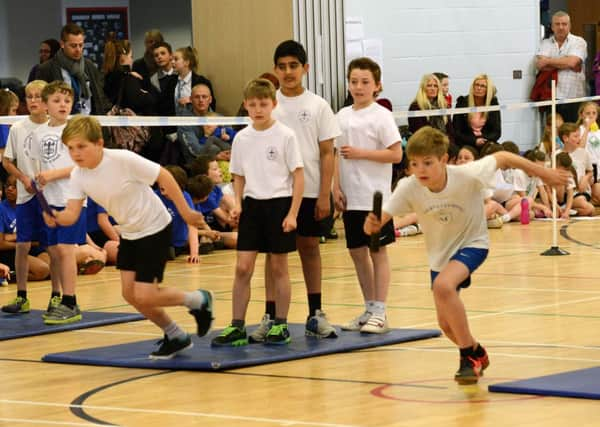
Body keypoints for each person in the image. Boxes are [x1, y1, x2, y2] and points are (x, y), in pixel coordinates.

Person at [363, 126, 569, 384]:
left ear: (444, 160)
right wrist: (370, 224)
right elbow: (378, 220)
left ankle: (466, 357)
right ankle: (475, 350)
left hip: (473, 244)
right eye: (415, 163)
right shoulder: (408, 186)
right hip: (440, 255)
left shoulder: (467, 174)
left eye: (428, 163)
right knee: (447, 325)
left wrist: (543, 172)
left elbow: (504, 157)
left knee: (443, 285)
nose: (421, 170)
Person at [47, 115, 214, 359]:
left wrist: (186, 212)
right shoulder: (78, 176)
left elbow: (164, 176)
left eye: (81, 146)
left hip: (155, 227)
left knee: (145, 293)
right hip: (130, 233)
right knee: (129, 294)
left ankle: (198, 300)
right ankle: (175, 334)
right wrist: (58, 218)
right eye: (70, 148)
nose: (76, 153)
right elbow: (71, 214)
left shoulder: (122, 159)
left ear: (99, 143)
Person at [250, 39, 342, 341]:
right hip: (275, 194)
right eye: (282, 67)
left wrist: (326, 193)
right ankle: (271, 316)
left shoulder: (318, 106)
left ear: (305, 69)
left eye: (293, 66)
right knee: (273, 256)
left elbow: (328, 152)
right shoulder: (267, 104)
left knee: (310, 248)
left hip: (312, 189)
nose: (288, 72)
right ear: (275, 69)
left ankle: (315, 313)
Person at [211, 78, 304, 347]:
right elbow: (238, 176)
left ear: (273, 104)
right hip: (252, 205)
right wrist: (238, 204)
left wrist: (293, 213)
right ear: (245, 106)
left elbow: (298, 176)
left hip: (279, 203)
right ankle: (237, 326)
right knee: (242, 267)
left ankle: (280, 324)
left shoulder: (285, 135)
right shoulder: (242, 138)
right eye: (253, 105)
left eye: (263, 104)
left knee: (278, 267)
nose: (258, 109)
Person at [334, 57, 403, 334]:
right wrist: (335, 188)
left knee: (377, 252)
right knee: (356, 252)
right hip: (351, 197)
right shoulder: (341, 116)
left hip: (375, 198)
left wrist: (362, 153)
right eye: (354, 82)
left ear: (377, 86)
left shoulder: (381, 116)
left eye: (365, 82)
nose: (358, 87)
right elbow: (335, 155)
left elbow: (396, 153)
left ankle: (381, 311)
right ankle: (369, 307)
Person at [28, 81, 87, 324]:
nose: (63, 105)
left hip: (72, 198)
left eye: (67, 101)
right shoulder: (39, 133)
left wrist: (53, 175)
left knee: (65, 249)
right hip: (50, 200)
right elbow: (41, 166)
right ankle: (62, 298)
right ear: (45, 105)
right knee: (54, 252)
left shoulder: (75, 129)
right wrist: (39, 183)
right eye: (57, 101)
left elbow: (81, 164)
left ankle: (71, 302)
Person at [1, 80, 51, 313]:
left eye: (38, 96)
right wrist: (23, 179)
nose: (32, 100)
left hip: (50, 196)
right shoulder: (18, 128)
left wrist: (45, 179)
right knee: (22, 245)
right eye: (29, 96)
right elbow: (7, 162)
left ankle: (58, 297)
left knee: (56, 247)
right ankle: (21, 297)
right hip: (25, 197)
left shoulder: (56, 128)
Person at [35, 23, 111, 115]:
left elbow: (99, 95)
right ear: (62, 44)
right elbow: (41, 100)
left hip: (89, 121)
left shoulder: (89, 66)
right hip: (61, 123)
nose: (78, 49)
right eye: (73, 46)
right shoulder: (46, 68)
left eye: (81, 45)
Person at [536, 11, 587, 123]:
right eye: (557, 24)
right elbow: (540, 65)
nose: (561, 27)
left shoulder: (579, 42)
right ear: (552, 26)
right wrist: (565, 61)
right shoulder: (545, 43)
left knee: (573, 133)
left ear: (569, 26)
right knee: (553, 134)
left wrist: (548, 61)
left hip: (574, 97)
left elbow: (572, 63)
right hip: (552, 97)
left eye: (564, 24)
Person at [0, 175, 50, 280]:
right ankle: (7, 276)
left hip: (30, 248)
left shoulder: (28, 207)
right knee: (43, 270)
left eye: (14, 186)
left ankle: (12, 273)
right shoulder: (2, 209)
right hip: (10, 252)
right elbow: (1, 244)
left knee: (52, 267)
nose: (9, 188)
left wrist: (13, 237)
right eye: (7, 185)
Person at [156, 165, 200, 263]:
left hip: (176, 243)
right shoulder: (155, 196)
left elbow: (191, 225)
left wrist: (194, 253)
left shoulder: (185, 197)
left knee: (169, 253)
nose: (163, 191)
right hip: (159, 241)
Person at [453, 74, 501, 154]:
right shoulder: (462, 102)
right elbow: (457, 131)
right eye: (477, 85)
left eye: (483, 86)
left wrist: (482, 140)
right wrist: (474, 140)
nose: (479, 88)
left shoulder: (493, 103)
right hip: (466, 142)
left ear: (488, 89)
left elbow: (497, 132)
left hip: (486, 141)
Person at [556, 122, 595, 215]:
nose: (579, 139)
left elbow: (590, 171)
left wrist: (585, 178)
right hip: (563, 192)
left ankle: (566, 210)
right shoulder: (556, 154)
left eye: (579, 136)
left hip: (579, 191)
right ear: (565, 138)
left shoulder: (583, 153)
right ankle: (565, 208)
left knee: (589, 209)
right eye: (575, 136)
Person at [408, 74, 453, 142]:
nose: (433, 88)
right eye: (429, 86)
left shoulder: (444, 105)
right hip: (425, 144)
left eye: (435, 86)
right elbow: (420, 134)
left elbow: (450, 131)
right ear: (423, 88)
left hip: (445, 142)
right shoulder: (415, 107)